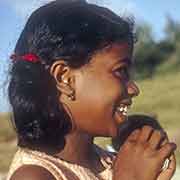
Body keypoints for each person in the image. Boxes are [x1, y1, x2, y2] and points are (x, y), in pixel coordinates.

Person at [7, 0, 176, 180]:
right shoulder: (34, 176)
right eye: (121, 71)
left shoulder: (113, 163)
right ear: (64, 77)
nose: (134, 89)